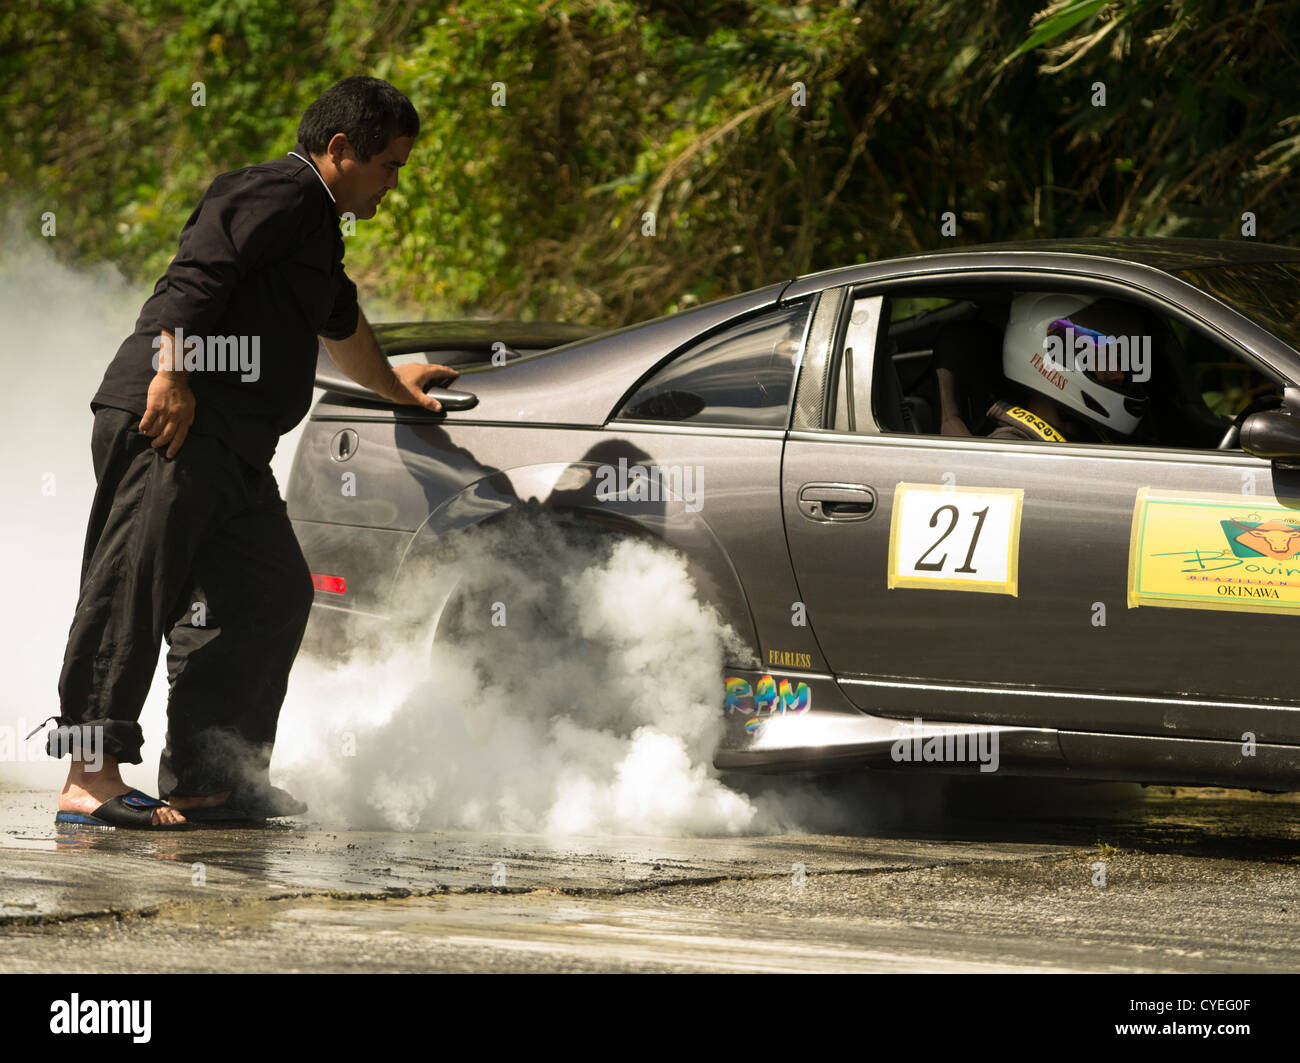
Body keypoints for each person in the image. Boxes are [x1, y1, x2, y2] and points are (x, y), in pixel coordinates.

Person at [49, 76, 458, 828]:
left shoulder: (316, 228)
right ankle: (87, 774)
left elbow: (343, 322)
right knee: (135, 586)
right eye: (390, 166)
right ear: (340, 150)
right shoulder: (274, 191)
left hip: (232, 447)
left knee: (269, 591)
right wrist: (172, 372)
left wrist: (396, 386)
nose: (395, 184)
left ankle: (209, 778)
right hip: (171, 421)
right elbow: (198, 273)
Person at [962, 294, 1153, 443]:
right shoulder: (1013, 448)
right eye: (1102, 357)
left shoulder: (1094, 434)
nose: (1118, 374)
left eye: (1119, 358)